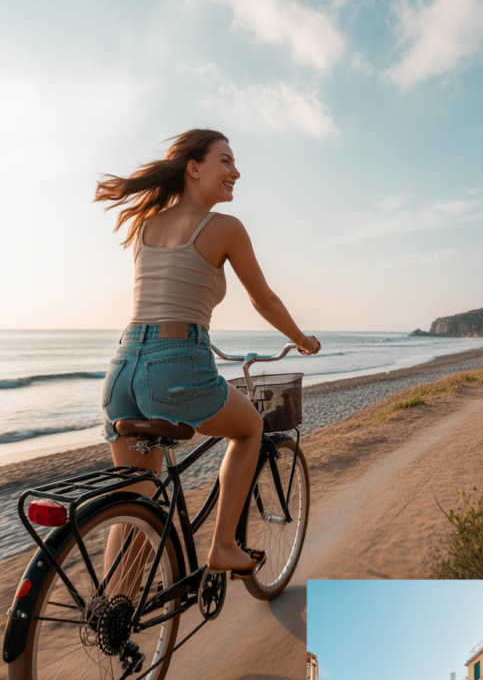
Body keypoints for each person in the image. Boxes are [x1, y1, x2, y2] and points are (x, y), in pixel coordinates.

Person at [95, 129, 320, 577]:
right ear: (193, 168)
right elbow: (265, 301)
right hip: (174, 365)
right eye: (226, 161)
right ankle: (222, 547)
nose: (236, 172)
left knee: (138, 500)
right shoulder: (224, 228)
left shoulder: (145, 226)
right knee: (250, 428)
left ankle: (114, 609)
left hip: (122, 369)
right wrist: (302, 340)